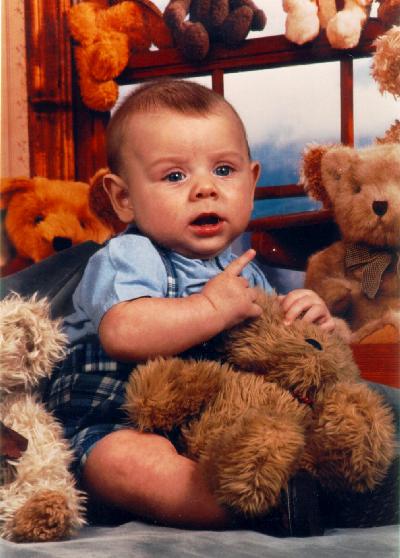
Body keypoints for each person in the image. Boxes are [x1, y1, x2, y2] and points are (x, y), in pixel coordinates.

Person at [44, 79, 341, 531]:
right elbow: (122, 332)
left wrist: (316, 326)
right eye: (175, 176)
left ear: (252, 180)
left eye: (224, 170)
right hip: (116, 419)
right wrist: (210, 309)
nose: (205, 189)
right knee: (131, 462)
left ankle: (292, 484)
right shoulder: (129, 256)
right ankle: (241, 504)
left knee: (300, 428)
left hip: (208, 421)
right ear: (123, 199)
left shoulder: (246, 270)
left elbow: (275, 349)